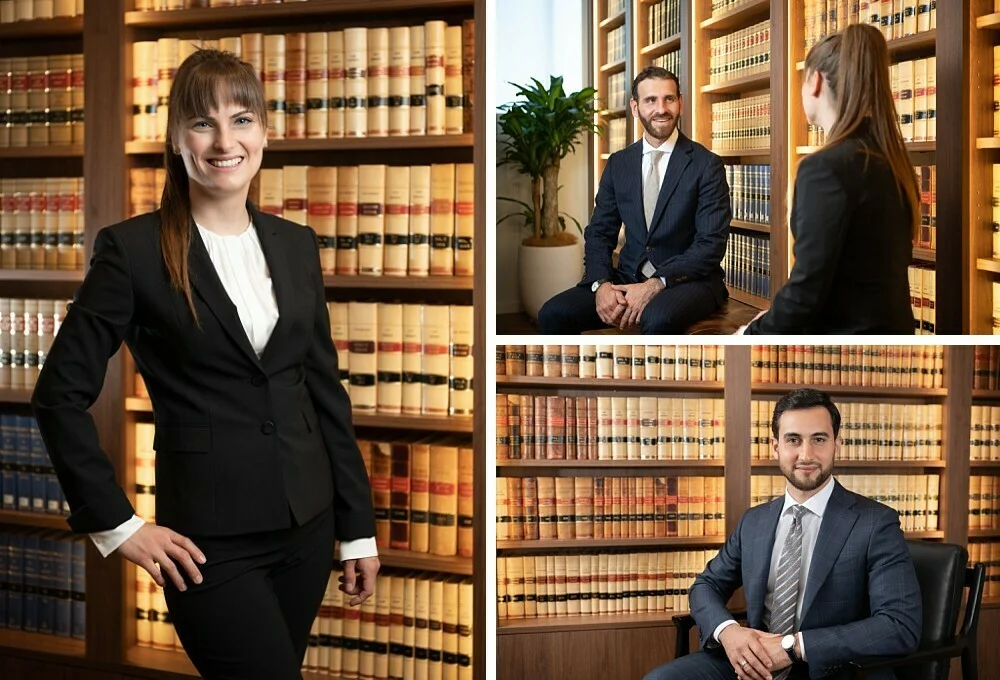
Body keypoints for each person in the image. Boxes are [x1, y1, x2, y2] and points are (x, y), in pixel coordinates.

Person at [30, 49, 379, 679]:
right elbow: (58, 394)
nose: (225, 141)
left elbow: (324, 392)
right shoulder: (131, 251)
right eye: (203, 122)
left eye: (241, 120)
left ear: (264, 134)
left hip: (307, 525)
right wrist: (117, 525)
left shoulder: (296, 245)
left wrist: (357, 529)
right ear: (174, 137)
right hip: (207, 546)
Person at [643, 388, 921, 680]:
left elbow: (899, 625)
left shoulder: (875, 523)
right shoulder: (755, 521)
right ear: (775, 447)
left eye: (819, 439)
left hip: (830, 668)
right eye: (793, 440)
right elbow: (706, 586)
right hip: (752, 664)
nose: (806, 454)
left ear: (837, 444)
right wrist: (729, 632)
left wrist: (793, 647)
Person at [741, 24, 918, 334]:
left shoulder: (823, 168)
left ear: (816, 81)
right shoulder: (892, 162)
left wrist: (750, 334)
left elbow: (806, 292)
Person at [537, 66, 731, 334]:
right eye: (651, 100)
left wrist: (655, 284)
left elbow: (710, 245)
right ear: (635, 107)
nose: (661, 109)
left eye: (669, 99)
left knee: (656, 318)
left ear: (681, 103)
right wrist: (601, 284)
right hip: (627, 276)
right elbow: (599, 234)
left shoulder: (707, 165)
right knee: (553, 313)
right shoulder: (619, 164)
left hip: (689, 281)